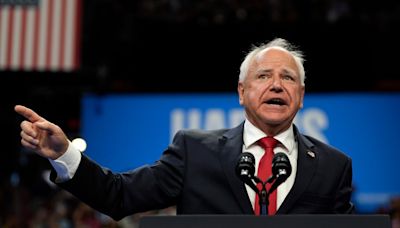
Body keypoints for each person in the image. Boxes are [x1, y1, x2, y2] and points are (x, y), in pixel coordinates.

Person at [15, 37, 354, 221]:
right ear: (241, 92)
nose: (277, 85)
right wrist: (64, 154)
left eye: (288, 78)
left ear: (301, 96)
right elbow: (119, 195)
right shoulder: (195, 151)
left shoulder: (332, 165)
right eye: (264, 76)